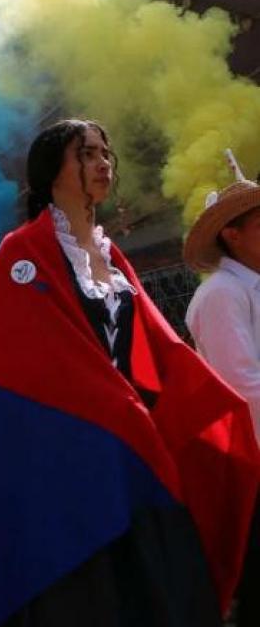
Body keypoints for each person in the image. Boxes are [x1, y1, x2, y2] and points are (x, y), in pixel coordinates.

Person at [0, 118, 260, 627]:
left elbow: (159, 349)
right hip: (60, 449)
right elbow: (25, 363)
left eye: (105, 153)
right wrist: (117, 410)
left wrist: (213, 399)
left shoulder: (112, 257)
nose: (103, 163)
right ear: (52, 170)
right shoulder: (22, 253)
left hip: (125, 439)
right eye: (86, 154)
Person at [184, 163, 260, 627]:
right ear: (232, 234)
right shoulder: (222, 294)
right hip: (248, 461)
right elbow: (243, 386)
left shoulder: (243, 290)